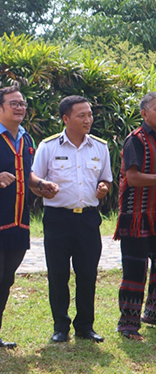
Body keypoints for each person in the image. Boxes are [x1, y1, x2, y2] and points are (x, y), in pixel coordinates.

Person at [0, 85, 58, 352]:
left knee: (6, 279)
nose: (20, 107)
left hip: (19, 220)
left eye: (22, 103)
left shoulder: (26, 139)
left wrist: (42, 184)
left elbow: (25, 174)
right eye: (13, 103)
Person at [32, 95, 111, 343]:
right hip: (57, 219)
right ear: (66, 118)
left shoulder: (100, 146)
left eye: (89, 114)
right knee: (58, 274)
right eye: (81, 115)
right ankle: (60, 327)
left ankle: (85, 326)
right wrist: (44, 186)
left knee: (87, 273)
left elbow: (106, 179)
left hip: (88, 219)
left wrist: (104, 188)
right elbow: (33, 180)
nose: (88, 119)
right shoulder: (49, 146)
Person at [114, 91, 156, 341]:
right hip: (137, 215)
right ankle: (128, 324)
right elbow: (133, 178)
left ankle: (152, 315)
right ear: (144, 114)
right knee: (135, 270)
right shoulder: (135, 140)